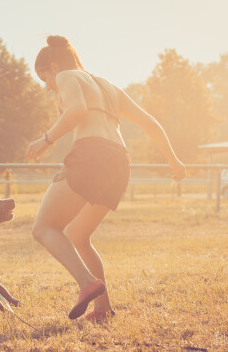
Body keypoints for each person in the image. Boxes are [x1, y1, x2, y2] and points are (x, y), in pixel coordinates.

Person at [27, 35, 186, 322]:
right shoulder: (108, 86)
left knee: (43, 228)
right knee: (78, 236)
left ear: (53, 67)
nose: (48, 87)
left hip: (91, 155)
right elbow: (150, 122)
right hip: (119, 162)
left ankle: (87, 283)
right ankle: (102, 310)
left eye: (44, 78)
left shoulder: (66, 76)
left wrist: (46, 139)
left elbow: (77, 111)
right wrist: (173, 159)